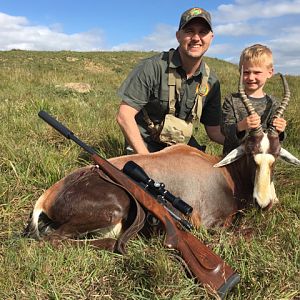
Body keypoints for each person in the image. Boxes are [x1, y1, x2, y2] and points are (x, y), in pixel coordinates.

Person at [116, 7, 224, 154]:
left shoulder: (212, 81)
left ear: (211, 37)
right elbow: (124, 115)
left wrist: (246, 142)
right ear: (178, 36)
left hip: (179, 145)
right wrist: (147, 159)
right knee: (144, 177)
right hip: (145, 145)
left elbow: (214, 131)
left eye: (203, 32)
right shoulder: (153, 67)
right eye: (189, 31)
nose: (196, 38)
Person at [221, 44, 287, 155]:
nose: (251, 77)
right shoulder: (231, 100)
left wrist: (280, 130)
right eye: (246, 72)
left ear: (270, 73)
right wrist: (240, 126)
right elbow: (224, 130)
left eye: (257, 72)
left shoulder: (273, 104)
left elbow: (276, 138)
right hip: (233, 163)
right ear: (240, 72)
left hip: (261, 160)